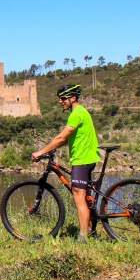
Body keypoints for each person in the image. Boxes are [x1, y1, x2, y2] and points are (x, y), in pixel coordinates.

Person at [32, 84, 100, 242]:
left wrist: (41, 152)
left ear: (73, 98)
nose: (60, 102)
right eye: (59, 99)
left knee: (78, 195)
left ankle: (83, 237)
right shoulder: (82, 112)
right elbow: (68, 139)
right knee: (86, 196)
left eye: (63, 98)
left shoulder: (76, 114)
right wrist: (51, 148)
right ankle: (90, 228)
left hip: (82, 160)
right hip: (88, 158)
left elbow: (62, 137)